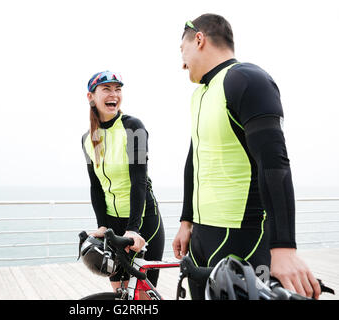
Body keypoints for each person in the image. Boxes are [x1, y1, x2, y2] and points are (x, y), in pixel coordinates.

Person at [172, 14, 321, 300]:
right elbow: (195, 160)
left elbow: (274, 163)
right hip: (203, 236)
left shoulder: (247, 80)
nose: (182, 63)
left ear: (199, 39)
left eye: (183, 50)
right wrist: (186, 221)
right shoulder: (200, 95)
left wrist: (283, 247)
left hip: (244, 236)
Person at [82, 70, 165, 291]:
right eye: (107, 89)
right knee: (120, 293)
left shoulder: (133, 127)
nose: (114, 94)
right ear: (91, 97)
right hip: (112, 224)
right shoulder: (88, 139)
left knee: (142, 296)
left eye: (118, 89)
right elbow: (96, 186)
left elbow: (138, 180)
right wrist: (102, 224)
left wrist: (133, 229)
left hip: (143, 221)